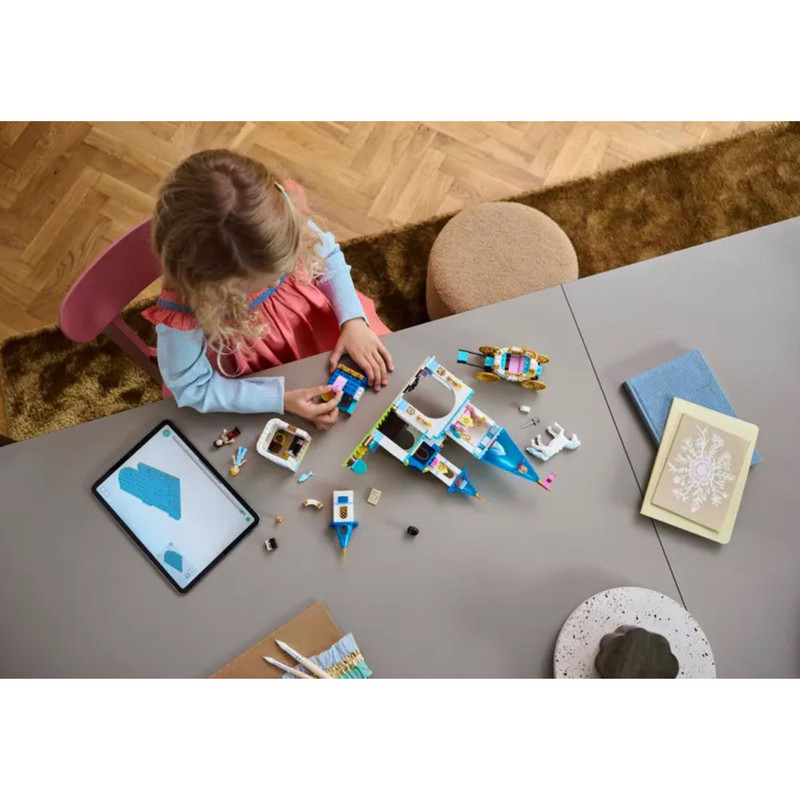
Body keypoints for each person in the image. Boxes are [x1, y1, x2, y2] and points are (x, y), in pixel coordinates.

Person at [142, 149, 393, 429]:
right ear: (214, 285)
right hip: (257, 377)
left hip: (319, 328)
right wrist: (280, 400)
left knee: (385, 372)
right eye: (269, 278)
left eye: (286, 266)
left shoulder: (275, 218)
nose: (278, 281)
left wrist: (353, 320)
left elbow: (328, 257)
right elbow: (192, 387)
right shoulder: (184, 316)